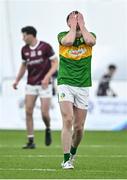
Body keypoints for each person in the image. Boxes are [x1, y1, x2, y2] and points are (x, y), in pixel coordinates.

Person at [57, 11, 96, 169]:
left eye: (79, 19)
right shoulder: (62, 35)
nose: (77, 21)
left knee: (79, 127)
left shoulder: (90, 34)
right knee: (67, 119)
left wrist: (82, 25)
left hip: (83, 85)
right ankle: (66, 160)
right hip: (65, 82)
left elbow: (90, 41)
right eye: (73, 20)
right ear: (68, 23)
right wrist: (73, 26)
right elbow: (68, 42)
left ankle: (73, 153)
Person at [13, 26, 58, 149]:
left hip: (45, 85)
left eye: (24, 35)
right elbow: (23, 65)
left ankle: (48, 128)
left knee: (44, 113)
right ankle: (30, 140)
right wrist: (17, 80)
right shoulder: (24, 50)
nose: (23, 38)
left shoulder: (45, 47)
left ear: (31, 35)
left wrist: (47, 77)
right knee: (28, 111)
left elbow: (55, 63)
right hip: (31, 84)